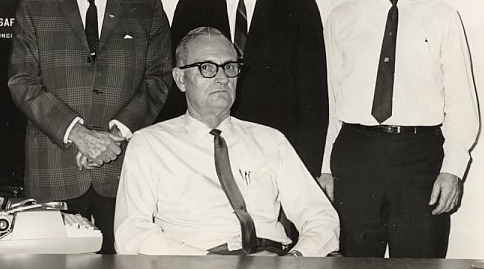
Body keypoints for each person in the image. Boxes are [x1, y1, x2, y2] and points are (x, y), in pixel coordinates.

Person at [8, 0, 172, 254]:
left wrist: (113, 137)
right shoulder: (35, 8)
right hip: (54, 172)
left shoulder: (148, 8)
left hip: (123, 169)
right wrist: (79, 135)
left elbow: (158, 81)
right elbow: (22, 81)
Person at [318, 0, 479, 258]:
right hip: (355, 156)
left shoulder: (443, 17)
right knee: (353, 266)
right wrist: (326, 167)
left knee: (419, 266)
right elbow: (330, 100)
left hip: (419, 160)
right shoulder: (341, 17)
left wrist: (452, 169)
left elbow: (462, 102)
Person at [114, 27, 339, 256]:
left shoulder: (271, 140)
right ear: (180, 78)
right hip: (195, 265)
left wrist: (296, 258)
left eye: (230, 67)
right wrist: (210, 264)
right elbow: (131, 232)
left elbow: (319, 215)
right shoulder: (150, 144)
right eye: (207, 67)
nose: (222, 78)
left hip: (273, 263)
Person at [159, 0, 328, 178]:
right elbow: (179, 89)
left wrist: (307, 171)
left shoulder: (299, 7)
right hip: (205, 154)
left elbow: (313, 99)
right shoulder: (190, 8)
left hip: (276, 156)